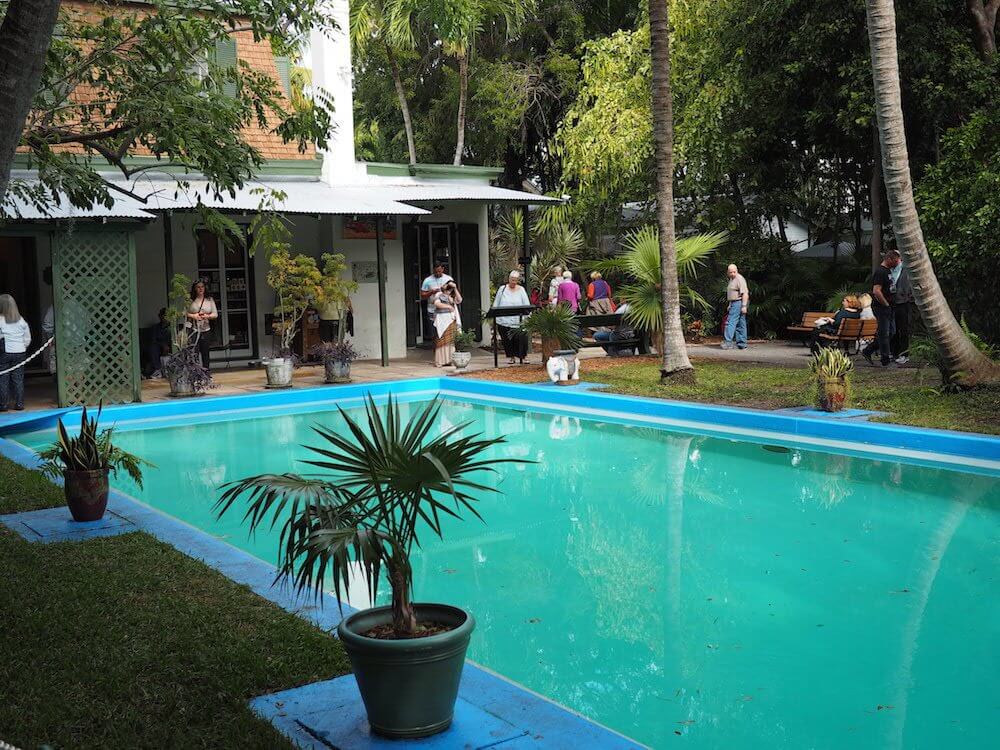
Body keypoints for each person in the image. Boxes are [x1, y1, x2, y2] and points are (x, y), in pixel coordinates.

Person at [863, 249, 902, 367]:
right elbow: (876, 291)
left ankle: (868, 350)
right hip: (881, 306)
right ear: (889, 259)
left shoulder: (888, 271)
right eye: (896, 260)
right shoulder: (880, 272)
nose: (898, 263)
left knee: (891, 332)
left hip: (890, 305)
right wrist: (885, 304)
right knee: (884, 332)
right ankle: (885, 359)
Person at [0, 294, 32, 411]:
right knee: (18, 378)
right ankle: (19, 404)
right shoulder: (21, 320)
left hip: (5, 352)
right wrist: (22, 347)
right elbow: (27, 338)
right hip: (20, 352)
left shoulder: (0, 320)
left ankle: (3, 405)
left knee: (3, 378)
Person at [493, 271, 532, 364]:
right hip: (504, 320)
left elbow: (526, 304)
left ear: (518, 280)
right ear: (509, 279)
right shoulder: (502, 289)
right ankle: (511, 357)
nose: (513, 282)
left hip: (518, 320)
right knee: (507, 340)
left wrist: (528, 317)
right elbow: (496, 302)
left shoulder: (521, 289)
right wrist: (494, 313)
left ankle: (524, 356)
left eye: (515, 280)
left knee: (521, 339)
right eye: (512, 280)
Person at [186, 279, 218, 369]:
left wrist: (206, 316)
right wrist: (194, 315)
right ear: (195, 289)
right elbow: (184, 313)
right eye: (198, 287)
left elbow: (215, 314)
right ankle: (196, 374)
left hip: (206, 329)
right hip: (194, 330)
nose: (200, 289)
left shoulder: (209, 299)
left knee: (205, 353)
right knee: (194, 352)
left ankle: (206, 373)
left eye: (202, 287)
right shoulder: (190, 300)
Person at [432, 280, 462, 367]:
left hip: (451, 319)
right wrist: (449, 306)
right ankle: (440, 361)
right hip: (442, 320)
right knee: (441, 340)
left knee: (450, 340)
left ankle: (450, 360)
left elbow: (459, 300)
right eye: (446, 284)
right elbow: (437, 304)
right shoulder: (439, 294)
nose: (447, 286)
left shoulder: (452, 296)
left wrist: (455, 288)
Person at [722, 264, 750, 350]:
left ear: (737, 271)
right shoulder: (731, 279)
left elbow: (745, 293)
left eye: (734, 272)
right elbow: (732, 293)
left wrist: (744, 306)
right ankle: (742, 343)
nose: (732, 274)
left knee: (730, 322)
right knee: (740, 323)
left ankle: (728, 342)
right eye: (730, 272)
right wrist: (730, 304)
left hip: (739, 302)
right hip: (734, 303)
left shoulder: (739, 279)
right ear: (728, 272)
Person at [891, 262, 913, 364]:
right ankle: (895, 353)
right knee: (895, 330)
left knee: (903, 330)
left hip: (903, 302)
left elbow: (907, 285)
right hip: (894, 302)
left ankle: (904, 354)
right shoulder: (891, 270)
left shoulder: (905, 270)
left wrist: (906, 297)